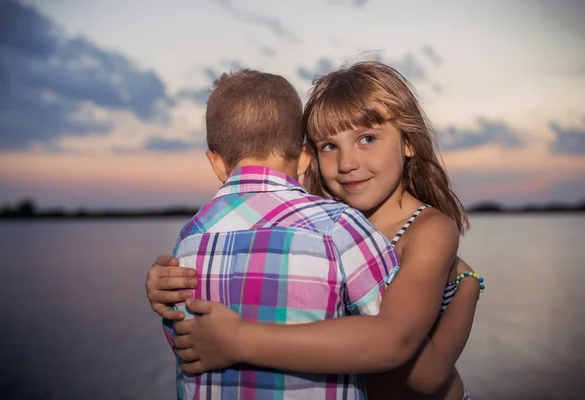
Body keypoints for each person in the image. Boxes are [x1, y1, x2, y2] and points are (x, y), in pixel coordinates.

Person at [147, 62, 484, 400]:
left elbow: (425, 372)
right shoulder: (324, 228)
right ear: (309, 156)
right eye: (329, 146)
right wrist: (172, 280)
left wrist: (468, 286)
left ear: (408, 142)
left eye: (367, 138)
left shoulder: (428, 230)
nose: (346, 163)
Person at [164, 68, 402, 400]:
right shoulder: (337, 227)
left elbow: (183, 343)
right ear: (305, 157)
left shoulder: (188, 242)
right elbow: (395, 337)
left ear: (216, 163)